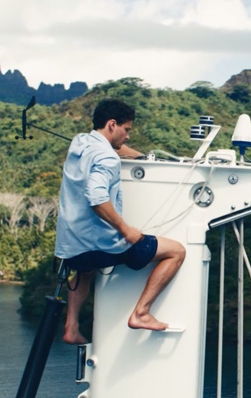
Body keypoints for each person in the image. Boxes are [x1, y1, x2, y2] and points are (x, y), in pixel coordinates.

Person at [55, 98, 186, 344]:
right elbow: (96, 197)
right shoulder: (107, 159)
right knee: (176, 251)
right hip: (101, 245)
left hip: (71, 247)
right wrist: (126, 230)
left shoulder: (80, 142)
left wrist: (144, 157)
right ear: (112, 124)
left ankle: (71, 326)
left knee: (84, 272)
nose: (127, 137)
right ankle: (141, 313)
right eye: (126, 130)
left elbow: (114, 149)